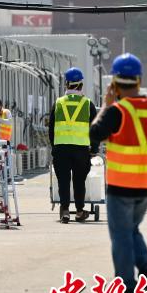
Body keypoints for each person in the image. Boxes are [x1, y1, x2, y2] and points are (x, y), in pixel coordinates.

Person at [89, 53, 147, 293]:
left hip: (121, 186)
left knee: (121, 236)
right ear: (139, 80)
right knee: (131, 228)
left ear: (114, 82)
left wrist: (105, 105)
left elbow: (94, 134)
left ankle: (127, 288)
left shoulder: (116, 111)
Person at [48, 68, 98, 223]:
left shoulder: (58, 103)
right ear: (81, 85)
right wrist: (94, 149)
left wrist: (54, 147)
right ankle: (79, 211)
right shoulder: (88, 104)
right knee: (79, 181)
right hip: (81, 150)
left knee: (63, 180)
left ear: (67, 84)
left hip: (61, 148)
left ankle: (64, 211)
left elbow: (51, 128)